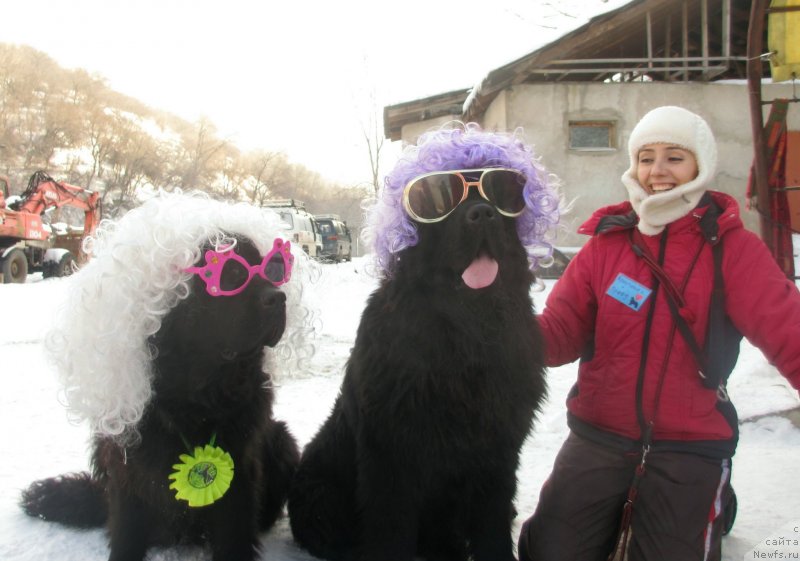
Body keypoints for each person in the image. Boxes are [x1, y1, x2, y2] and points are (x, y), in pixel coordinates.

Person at [517, 105, 800, 561]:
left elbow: (790, 333)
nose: (658, 171)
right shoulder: (606, 246)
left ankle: (713, 499)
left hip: (689, 442)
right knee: (550, 551)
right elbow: (559, 334)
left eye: (674, 156)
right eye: (646, 157)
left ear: (700, 165)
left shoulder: (733, 248)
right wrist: (493, 325)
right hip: (599, 435)